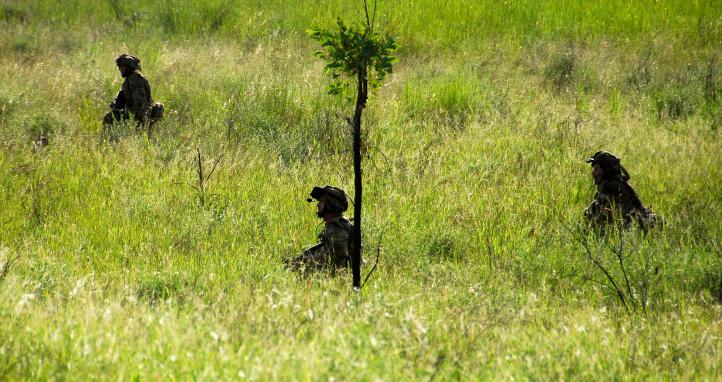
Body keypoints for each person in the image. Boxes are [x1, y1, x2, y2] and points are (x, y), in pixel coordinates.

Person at [584, 151, 660, 232]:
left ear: (607, 170)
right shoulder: (617, 182)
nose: (593, 173)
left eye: (596, 169)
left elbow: (610, 214)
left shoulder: (610, 186)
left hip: (629, 226)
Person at [289, 186, 354, 271]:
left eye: (322, 201)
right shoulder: (340, 223)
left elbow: (340, 254)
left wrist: (312, 259)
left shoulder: (336, 225)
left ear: (331, 205)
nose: (318, 205)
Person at [102, 54, 163, 140]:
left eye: (122, 67)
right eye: (119, 66)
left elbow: (139, 103)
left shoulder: (135, 80)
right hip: (133, 113)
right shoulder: (128, 80)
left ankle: (108, 141)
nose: (120, 69)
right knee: (110, 116)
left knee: (109, 118)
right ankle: (110, 140)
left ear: (129, 67)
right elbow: (120, 99)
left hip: (140, 114)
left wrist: (127, 113)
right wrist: (116, 106)